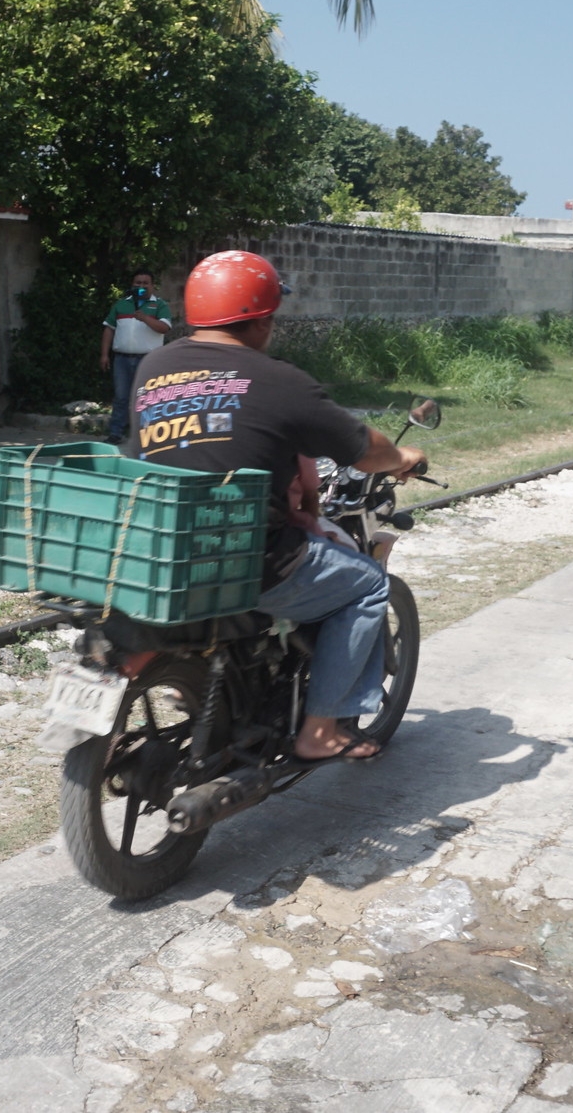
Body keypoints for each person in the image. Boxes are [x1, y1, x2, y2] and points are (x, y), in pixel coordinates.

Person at [124, 250, 425, 762]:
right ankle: (321, 729)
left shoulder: (155, 366)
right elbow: (361, 446)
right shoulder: (279, 379)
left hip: (160, 545)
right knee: (369, 586)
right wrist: (401, 457)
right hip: (244, 556)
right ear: (262, 320)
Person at [100, 271, 172, 444]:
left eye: (145, 283)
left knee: (148, 397)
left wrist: (145, 318)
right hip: (122, 359)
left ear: (152, 286)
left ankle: (148, 436)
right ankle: (116, 433)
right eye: (137, 283)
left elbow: (164, 328)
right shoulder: (121, 305)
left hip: (148, 359)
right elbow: (109, 329)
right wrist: (104, 354)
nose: (141, 286)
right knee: (121, 397)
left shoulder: (159, 305)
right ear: (132, 285)